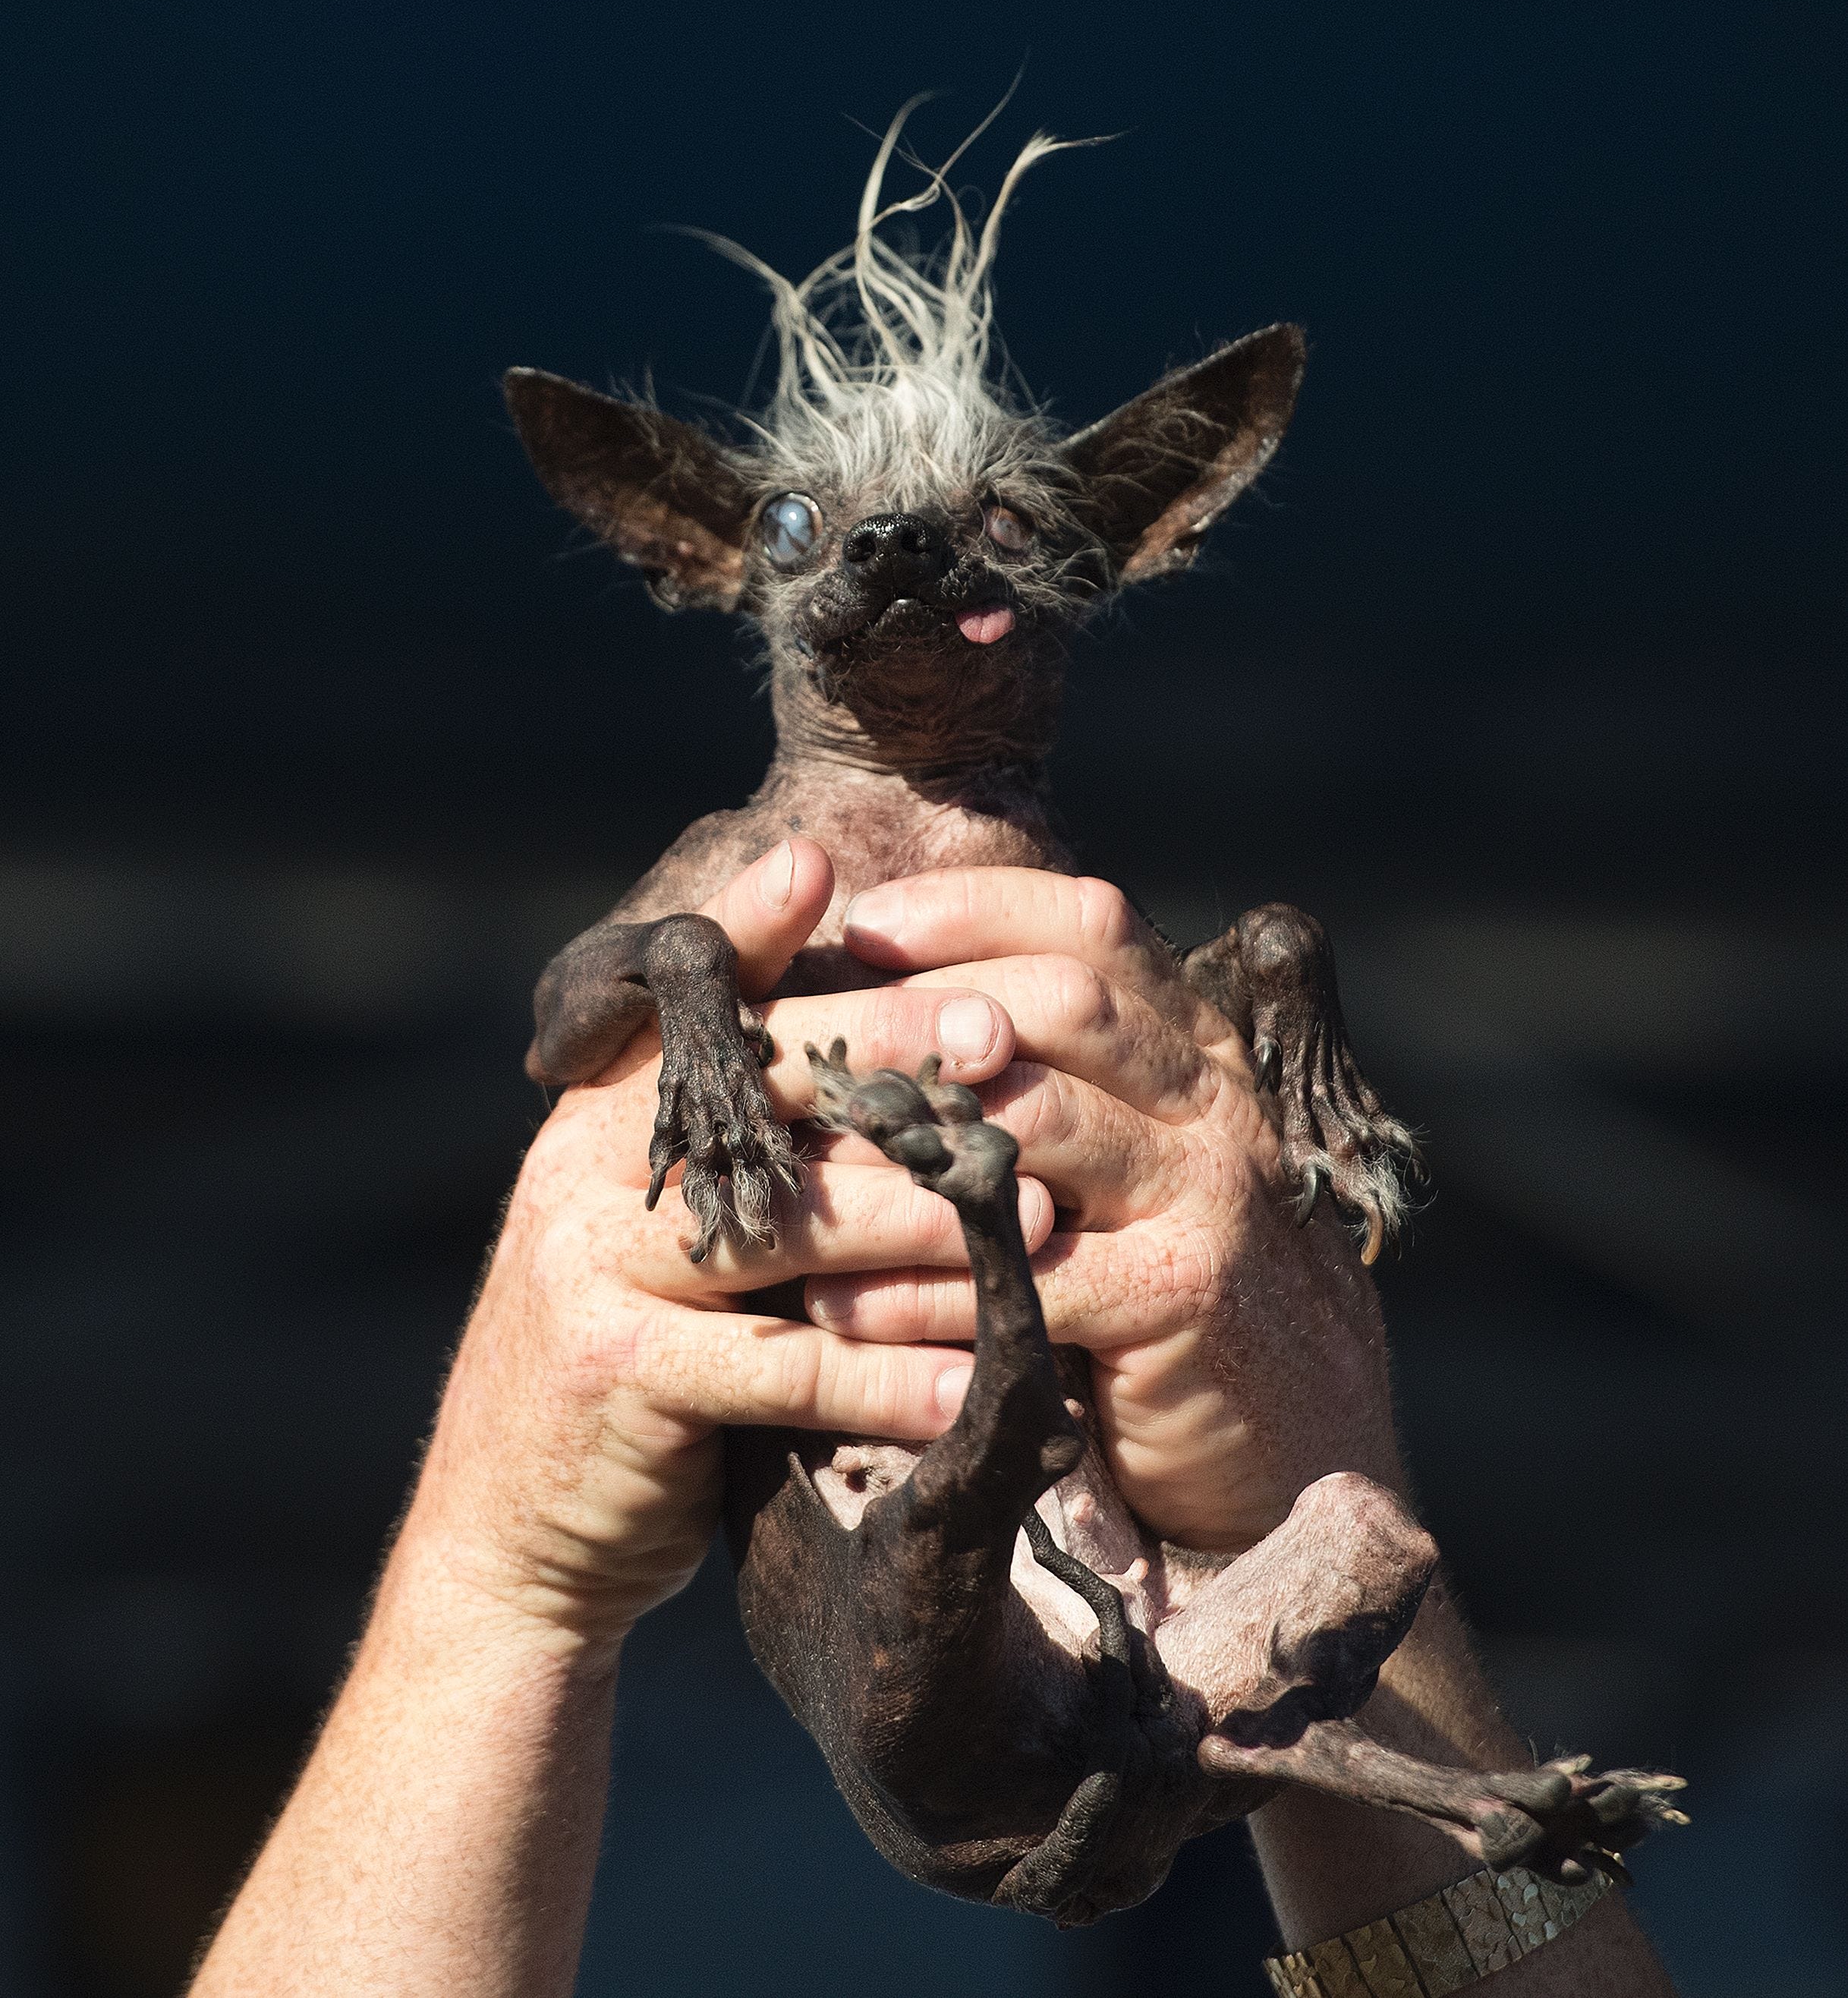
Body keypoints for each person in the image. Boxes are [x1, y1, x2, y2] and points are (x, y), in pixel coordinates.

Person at [189, 844, 1675, 1996]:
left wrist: (490, 1601)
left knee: (1315, 1550)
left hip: (1042, 1672)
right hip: (1055, 1665)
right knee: (1325, 1548)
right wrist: (498, 1597)